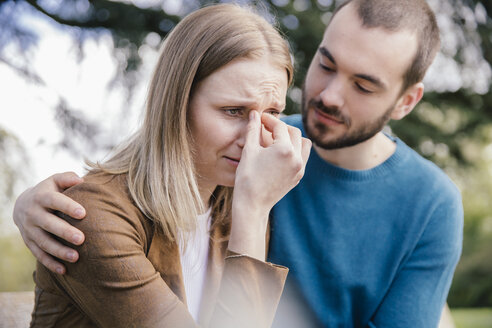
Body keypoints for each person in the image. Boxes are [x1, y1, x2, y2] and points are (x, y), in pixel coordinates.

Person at [14, 0, 463, 327]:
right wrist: (31, 203)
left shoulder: (431, 203)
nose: (327, 95)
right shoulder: (243, 164)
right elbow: (145, 167)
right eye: (326, 65)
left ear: (406, 101)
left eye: (364, 85)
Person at [17, 4, 312, 327]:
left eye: (272, 113)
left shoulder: (231, 204)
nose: (254, 138)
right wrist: (254, 210)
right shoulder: (95, 217)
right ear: (176, 103)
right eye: (233, 111)